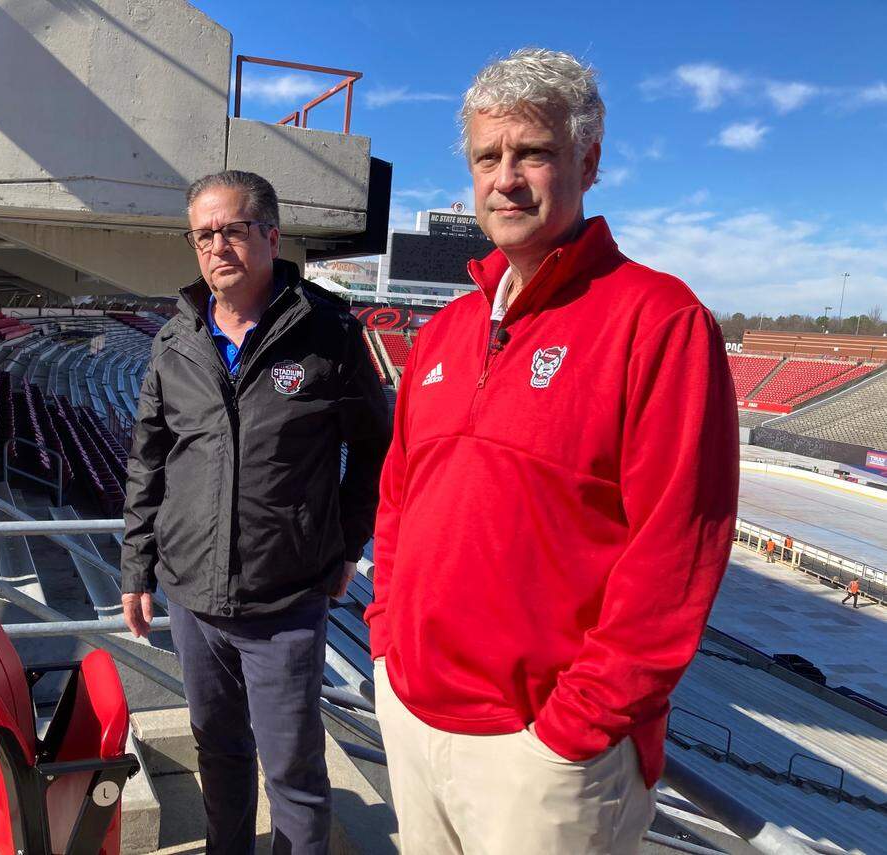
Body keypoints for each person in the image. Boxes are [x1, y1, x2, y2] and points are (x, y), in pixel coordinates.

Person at [365, 49, 739, 854]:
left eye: (532, 152)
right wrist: (387, 645)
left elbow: (675, 553)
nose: (506, 177)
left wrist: (573, 731)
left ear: (588, 162)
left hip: (542, 755)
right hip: (412, 716)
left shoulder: (660, 321)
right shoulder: (443, 329)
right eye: (486, 157)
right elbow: (399, 500)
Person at [120, 170, 390, 854]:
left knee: (294, 769)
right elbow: (149, 460)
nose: (217, 246)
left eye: (232, 229)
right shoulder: (174, 340)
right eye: (203, 234)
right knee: (220, 753)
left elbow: (375, 448)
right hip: (192, 596)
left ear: (271, 236)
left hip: (286, 599)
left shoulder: (328, 331)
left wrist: (346, 545)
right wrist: (136, 568)